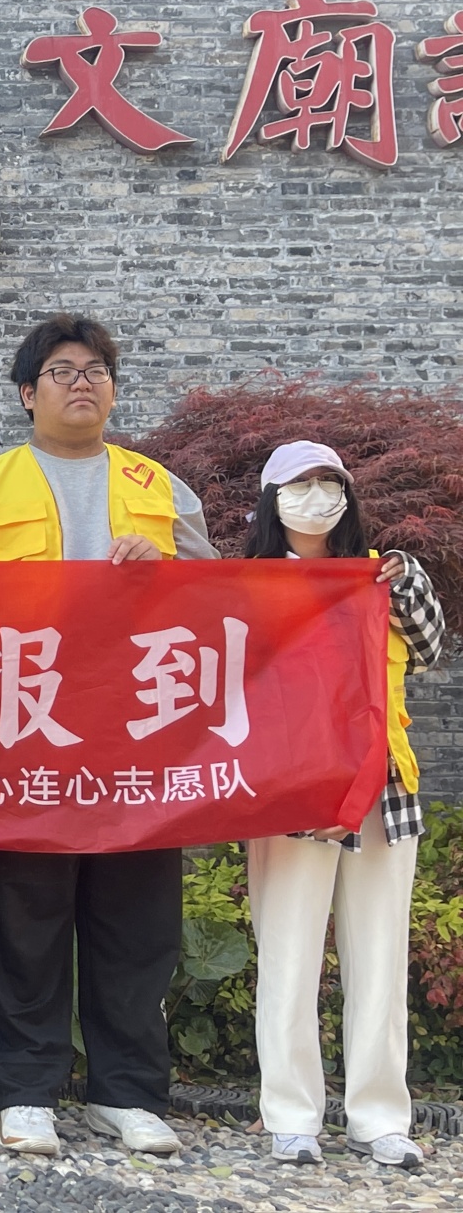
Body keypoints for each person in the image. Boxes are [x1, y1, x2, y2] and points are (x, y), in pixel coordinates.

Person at [0, 315, 217, 1158]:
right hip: (27, 736)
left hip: (139, 742)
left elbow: (221, 602)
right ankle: (26, 1090)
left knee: (137, 922)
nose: (82, 382)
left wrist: (167, 574)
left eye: (96, 369)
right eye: (62, 371)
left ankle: (127, 1093)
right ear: (28, 394)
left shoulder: (161, 487)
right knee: (24, 920)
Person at [244, 440, 444, 1169]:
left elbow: (429, 648)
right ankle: (291, 1116)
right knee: (288, 954)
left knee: (381, 956)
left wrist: (405, 581)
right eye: (300, 483)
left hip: (384, 789)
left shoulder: (382, 572)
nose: (317, 495)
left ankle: (380, 1119)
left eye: (330, 482)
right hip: (292, 793)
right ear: (272, 499)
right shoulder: (247, 585)